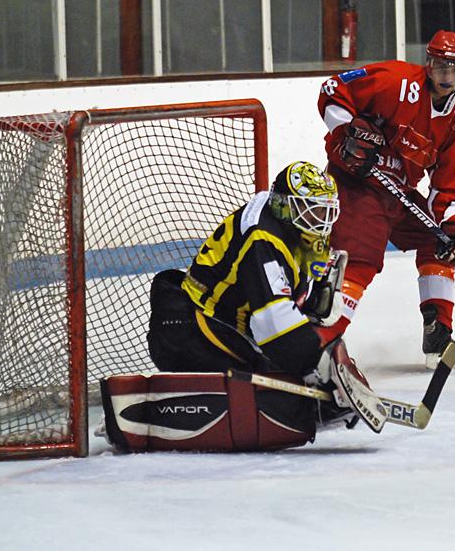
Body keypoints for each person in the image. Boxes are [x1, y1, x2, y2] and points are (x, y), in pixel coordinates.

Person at [145, 160, 385, 436]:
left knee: (291, 376)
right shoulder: (263, 239)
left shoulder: (292, 227)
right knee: (284, 395)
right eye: (314, 211)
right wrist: (317, 363)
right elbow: (274, 321)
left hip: (227, 325)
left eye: (326, 212)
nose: (321, 220)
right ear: (287, 206)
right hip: (190, 330)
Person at [316, 30, 455, 369]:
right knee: (361, 258)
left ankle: (438, 334)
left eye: (454, 68)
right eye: (439, 66)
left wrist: (453, 224)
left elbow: (450, 183)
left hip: (397, 194)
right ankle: (321, 343)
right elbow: (333, 89)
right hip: (356, 184)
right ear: (428, 63)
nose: (446, 76)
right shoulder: (397, 80)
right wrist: (345, 132)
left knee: (441, 241)